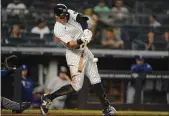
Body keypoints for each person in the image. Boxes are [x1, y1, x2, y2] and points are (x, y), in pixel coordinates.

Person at [40, 4, 116, 116]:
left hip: (85, 50)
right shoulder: (58, 29)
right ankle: (48, 97)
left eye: (66, 15)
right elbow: (71, 44)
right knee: (76, 86)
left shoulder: (68, 13)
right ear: (56, 17)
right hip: (74, 54)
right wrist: (81, 39)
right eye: (62, 16)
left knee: (96, 79)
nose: (65, 18)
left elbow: (82, 18)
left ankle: (107, 108)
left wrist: (86, 31)